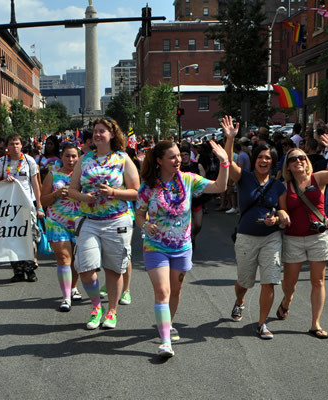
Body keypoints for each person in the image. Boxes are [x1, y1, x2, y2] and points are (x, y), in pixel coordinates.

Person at [135, 137, 228, 358]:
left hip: (182, 246)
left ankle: (168, 323)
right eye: (172, 156)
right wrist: (145, 224)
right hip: (155, 246)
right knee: (163, 291)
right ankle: (165, 340)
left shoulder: (188, 179)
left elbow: (220, 186)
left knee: (175, 291)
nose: (178, 160)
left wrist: (224, 163)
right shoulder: (148, 186)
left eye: (179, 155)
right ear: (159, 160)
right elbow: (138, 214)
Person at [68, 118, 140, 331]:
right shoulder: (84, 159)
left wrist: (113, 193)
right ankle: (96, 306)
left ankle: (112, 311)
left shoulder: (123, 159)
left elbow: (136, 192)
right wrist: (83, 197)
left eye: (102, 131)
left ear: (112, 135)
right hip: (89, 220)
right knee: (86, 269)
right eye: (95, 131)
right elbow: (72, 190)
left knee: (113, 269)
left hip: (117, 220)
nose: (98, 134)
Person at [222, 116, 288, 341]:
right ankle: (239, 301)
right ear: (254, 159)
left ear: (273, 162)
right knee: (244, 281)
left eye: (268, 158)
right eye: (260, 156)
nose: (264, 160)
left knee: (269, 280)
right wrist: (230, 139)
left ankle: (262, 324)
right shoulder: (244, 178)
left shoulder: (278, 185)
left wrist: (278, 219)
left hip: (271, 238)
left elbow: (283, 211)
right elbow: (228, 163)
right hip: (246, 237)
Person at [277, 134, 328, 339]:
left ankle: (315, 323)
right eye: (293, 159)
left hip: (319, 237)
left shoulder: (318, 178)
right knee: (289, 284)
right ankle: (287, 299)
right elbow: (283, 211)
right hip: (293, 239)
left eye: (301, 158)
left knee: (318, 281)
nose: (298, 161)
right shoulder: (285, 187)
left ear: (306, 162)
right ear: (288, 166)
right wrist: (282, 214)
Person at [0, 134, 44, 282]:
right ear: (7, 146)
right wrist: (4, 181)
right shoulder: (1, 162)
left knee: (29, 237)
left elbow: (36, 185)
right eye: (11, 144)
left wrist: (39, 207)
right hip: (8, 206)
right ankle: (18, 271)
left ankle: (30, 269)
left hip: (27, 204)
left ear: (21, 145)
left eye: (17, 144)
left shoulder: (29, 161)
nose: (14, 147)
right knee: (12, 238)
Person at [40, 142, 82, 311]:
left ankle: (73, 287)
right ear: (61, 157)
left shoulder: (84, 176)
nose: (70, 160)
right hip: (57, 221)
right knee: (64, 257)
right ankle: (66, 298)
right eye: (67, 156)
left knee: (77, 259)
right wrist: (56, 194)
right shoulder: (53, 175)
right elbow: (42, 200)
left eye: (74, 156)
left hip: (80, 221)